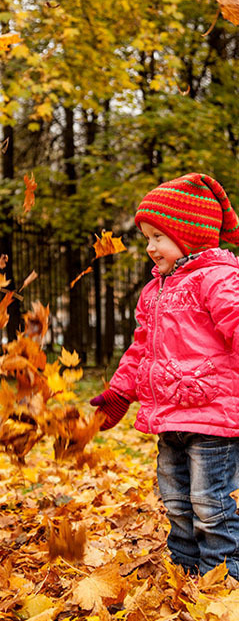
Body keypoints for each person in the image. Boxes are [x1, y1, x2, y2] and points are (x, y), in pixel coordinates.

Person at [90, 173, 239, 580]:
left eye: (158, 236)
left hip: (214, 419)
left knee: (211, 503)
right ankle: (185, 570)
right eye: (147, 237)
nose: (150, 247)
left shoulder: (218, 279)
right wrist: (120, 392)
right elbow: (141, 348)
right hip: (170, 418)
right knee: (175, 500)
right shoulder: (154, 292)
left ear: (189, 235)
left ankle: (222, 576)